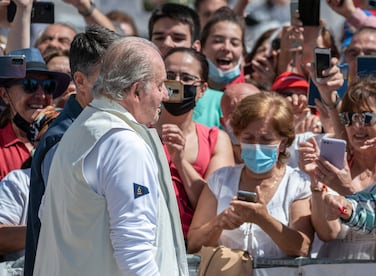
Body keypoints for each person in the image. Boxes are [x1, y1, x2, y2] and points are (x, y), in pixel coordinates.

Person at [33, 36, 188, 275]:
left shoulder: (79, 130)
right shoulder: (124, 144)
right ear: (136, 90)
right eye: (159, 85)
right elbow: (134, 252)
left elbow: (48, 215)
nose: (166, 95)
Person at [24, 25, 121, 276]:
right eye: (110, 77)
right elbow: (69, 230)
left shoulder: (102, 130)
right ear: (80, 80)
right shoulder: (63, 141)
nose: (122, 87)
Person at [187, 92, 314, 259]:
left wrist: (263, 219)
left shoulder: (297, 184)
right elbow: (193, 244)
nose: (256, 145)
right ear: (238, 137)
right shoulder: (220, 180)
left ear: (282, 143)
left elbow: (302, 247)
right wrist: (219, 223)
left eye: (266, 139)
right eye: (248, 138)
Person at [301, 76, 376, 260]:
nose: (356, 126)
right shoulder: (336, 165)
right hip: (339, 268)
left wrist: (348, 191)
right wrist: (316, 183)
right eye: (349, 118)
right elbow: (328, 233)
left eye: (366, 118)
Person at [154, 47, 234, 239]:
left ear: (202, 90)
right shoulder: (139, 133)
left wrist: (180, 162)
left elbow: (213, 204)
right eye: (170, 76)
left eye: (187, 78)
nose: (178, 83)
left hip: (192, 247)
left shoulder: (216, 139)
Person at [0, 47, 70, 180]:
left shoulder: (67, 139)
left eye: (48, 86)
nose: (41, 95)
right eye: (30, 84)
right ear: (5, 95)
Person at [0, 107, 59, 263]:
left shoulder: (85, 181)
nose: (59, 146)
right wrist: (50, 233)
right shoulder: (18, 181)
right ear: (35, 145)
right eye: (51, 139)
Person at [193, 7, 246, 129]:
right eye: (217, 41)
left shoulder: (251, 96)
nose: (226, 48)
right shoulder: (188, 97)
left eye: (234, 43)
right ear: (201, 47)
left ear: (243, 51)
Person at [220, 82, 260, 164]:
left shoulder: (286, 148)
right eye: (233, 116)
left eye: (250, 113)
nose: (242, 121)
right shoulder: (217, 156)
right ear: (223, 123)